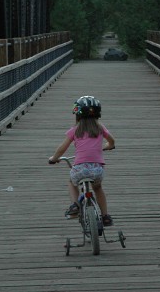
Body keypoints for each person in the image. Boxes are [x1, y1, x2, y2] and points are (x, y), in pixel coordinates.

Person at [49, 95, 116, 226]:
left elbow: (62, 148)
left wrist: (54, 158)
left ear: (77, 115)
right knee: (98, 188)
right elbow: (112, 141)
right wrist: (108, 146)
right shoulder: (100, 128)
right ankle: (105, 216)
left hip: (80, 169)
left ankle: (74, 205)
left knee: (71, 182)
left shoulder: (75, 130)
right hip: (97, 170)